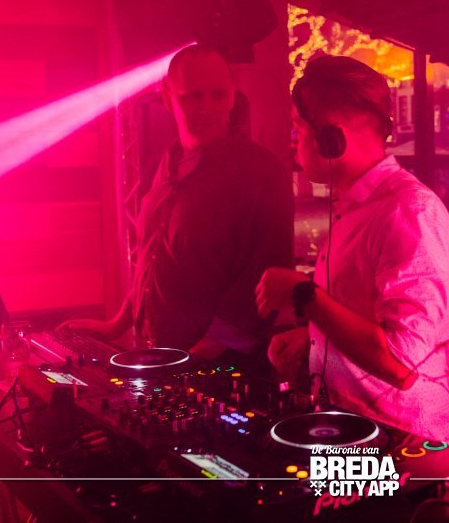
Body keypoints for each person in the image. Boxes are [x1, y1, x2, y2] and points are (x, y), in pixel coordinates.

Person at [255, 55, 449, 453]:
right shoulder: (360, 208)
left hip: (405, 451)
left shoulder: (410, 212)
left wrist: (303, 295)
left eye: (298, 128)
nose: (293, 142)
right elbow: (368, 318)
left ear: (331, 138)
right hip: (360, 436)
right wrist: (315, 339)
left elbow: (403, 364)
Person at [64, 44, 293, 361]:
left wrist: (198, 356)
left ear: (232, 96)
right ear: (167, 98)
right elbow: (154, 257)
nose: (207, 108)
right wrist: (117, 324)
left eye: (218, 95)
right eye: (193, 97)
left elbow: (264, 278)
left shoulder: (261, 172)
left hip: (221, 367)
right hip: (166, 356)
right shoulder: (168, 163)